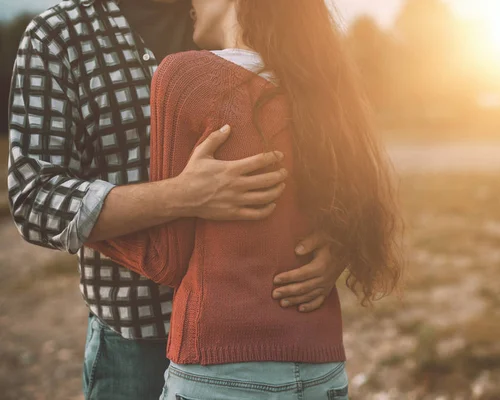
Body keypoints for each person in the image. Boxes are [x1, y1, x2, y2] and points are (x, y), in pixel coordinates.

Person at [7, 0, 348, 399]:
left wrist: (338, 236)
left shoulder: (245, 14)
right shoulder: (59, 34)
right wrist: (180, 197)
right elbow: (34, 199)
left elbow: (328, 141)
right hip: (133, 341)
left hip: (258, 337)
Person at [87, 0, 403, 399]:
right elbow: (351, 212)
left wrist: (88, 223)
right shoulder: (320, 88)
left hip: (220, 370)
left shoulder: (186, 75)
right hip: (323, 369)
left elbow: (165, 260)